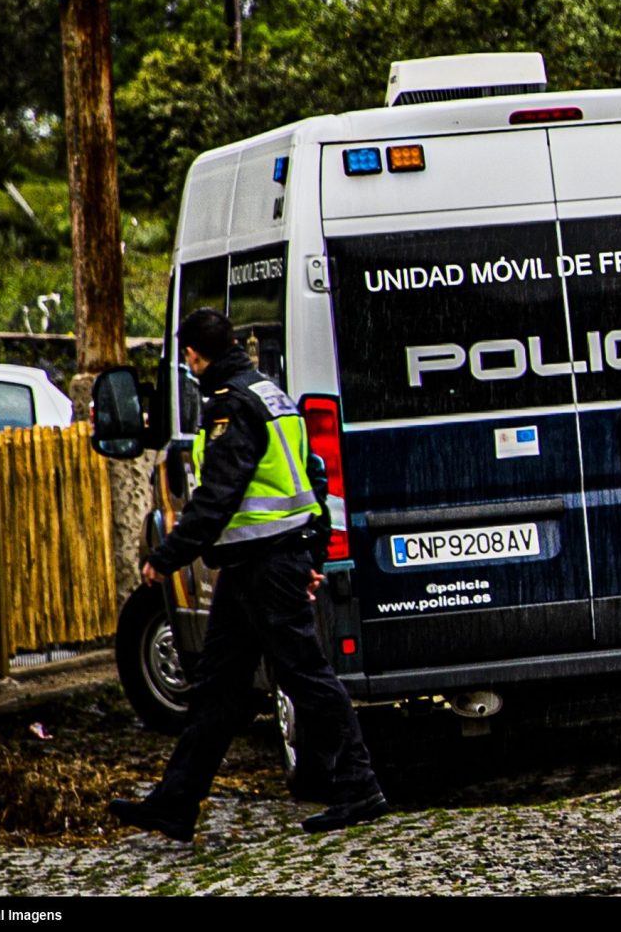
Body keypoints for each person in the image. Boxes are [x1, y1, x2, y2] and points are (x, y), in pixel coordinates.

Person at [109, 309, 386, 842]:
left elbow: (218, 496)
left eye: (188, 357)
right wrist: (316, 556)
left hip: (266, 564)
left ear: (194, 355)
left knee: (303, 672)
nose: (188, 366)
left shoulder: (231, 407)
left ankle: (359, 786)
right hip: (256, 564)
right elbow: (315, 478)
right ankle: (177, 803)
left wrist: (166, 555)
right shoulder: (269, 394)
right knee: (217, 687)